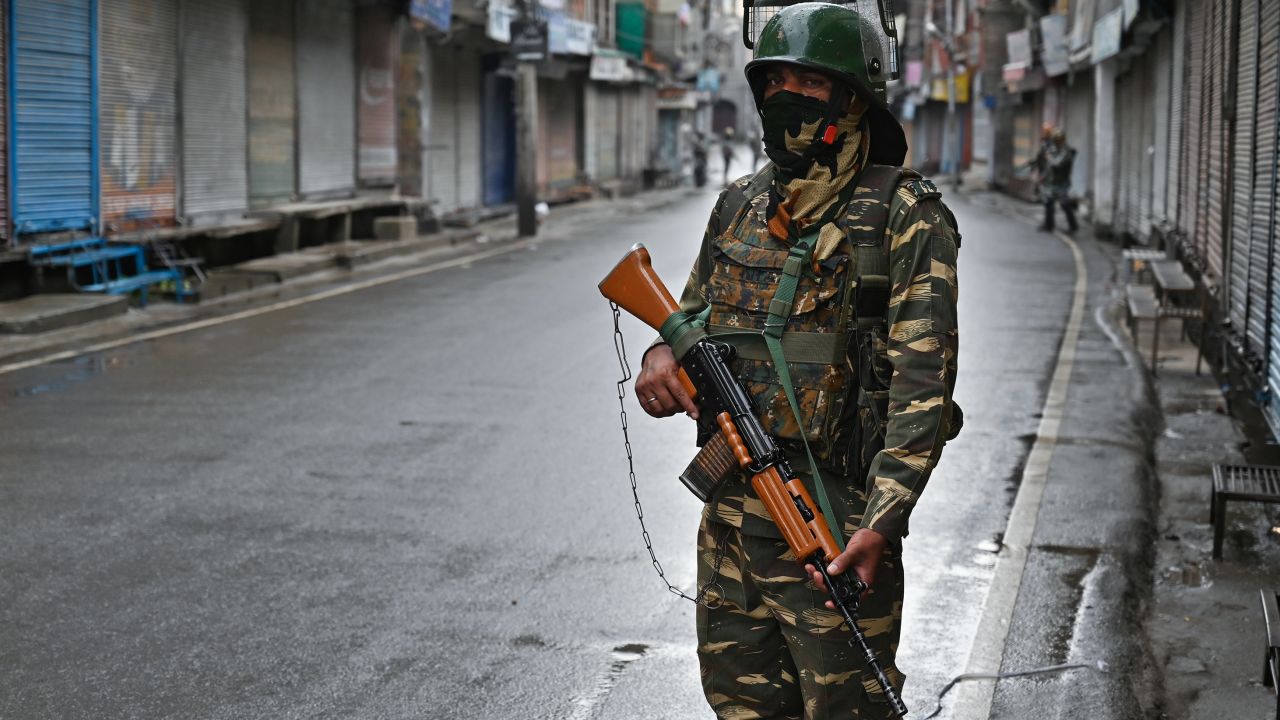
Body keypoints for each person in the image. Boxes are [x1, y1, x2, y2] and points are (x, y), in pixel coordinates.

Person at [634, 3, 961, 717]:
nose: (789, 98)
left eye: (810, 85)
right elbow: (690, 319)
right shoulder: (739, 207)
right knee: (740, 707)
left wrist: (882, 524)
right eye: (774, 82)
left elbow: (922, 394)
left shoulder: (905, 218)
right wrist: (662, 353)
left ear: (854, 98)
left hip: (835, 534)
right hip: (730, 531)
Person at [1039, 128, 1078, 233]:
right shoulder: (1055, 150)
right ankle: (1048, 225)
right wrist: (1043, 176)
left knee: (1064, 204)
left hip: (1062, 182)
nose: (1057, 142)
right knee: (1048, 202)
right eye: (1055, 140)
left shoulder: (1067, 152)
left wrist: (1049, 157)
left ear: (1063, 140)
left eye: (1058, 140)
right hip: (1053, 181)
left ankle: (1073, 226)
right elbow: (1049, 166)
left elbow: (1057, 164)